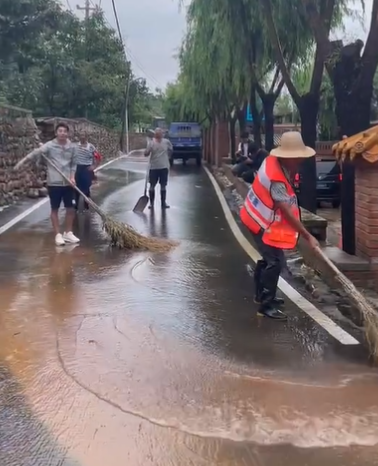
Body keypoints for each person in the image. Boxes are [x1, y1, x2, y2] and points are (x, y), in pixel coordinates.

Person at [239, 131, 319, 320]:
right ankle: (266, 304)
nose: (299, 161)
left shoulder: (273, 162)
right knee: (274, 262)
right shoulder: (277, 180)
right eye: (296, 157)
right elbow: (286, 211)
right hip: (257, 221)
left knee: (271, 259)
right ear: (286, 156)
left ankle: (262, 296)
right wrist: (308, 236)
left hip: (257, 217)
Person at [14, 122, 79, 246]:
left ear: (67, 133)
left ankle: (68, 233)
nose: (62, 133)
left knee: (70, 209)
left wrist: (72, 177)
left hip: (68, 183)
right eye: (60, 131)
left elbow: (73, 164)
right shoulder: (50, 146)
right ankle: (58, 235)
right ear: (56, 133)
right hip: (54, 183)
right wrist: (22, 162)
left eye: (65, 131)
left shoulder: (73, 147)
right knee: (54, 209)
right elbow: (35, 153)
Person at [144, 127, 173, 209]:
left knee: (162, 186)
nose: (159, 135)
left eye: (160, 133)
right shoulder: (151, 143)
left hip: (163, 167)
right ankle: (152, 203)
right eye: (158, 133)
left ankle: (162, 203)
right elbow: (146, 153)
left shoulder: (166, 142)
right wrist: (147, 151)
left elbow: (171, 150)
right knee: (152, 186)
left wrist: (168, 158)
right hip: (154, 167)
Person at [74, 130, 99, 211]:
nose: (82, 137)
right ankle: (76, 206)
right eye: (81, 135)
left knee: (86, 188)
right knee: (76, 187)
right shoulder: (75, 146)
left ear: (87, 137)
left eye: (84, 135)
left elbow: (98, 157)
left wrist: (94, 166)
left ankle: (86, 204)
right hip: (77, 168)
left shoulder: (91, 147)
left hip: (87, 169)